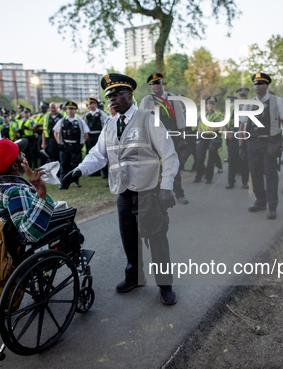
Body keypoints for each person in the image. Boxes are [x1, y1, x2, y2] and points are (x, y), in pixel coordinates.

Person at [60, 73, 178, 305]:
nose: (112, 99)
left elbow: (169, 152)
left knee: (156, 239)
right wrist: (78, 171)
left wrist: (167, 186)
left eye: (116, 94)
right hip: (123, 192)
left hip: (148, 192)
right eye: (108, 96)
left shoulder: (148, 118)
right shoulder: (110, 124)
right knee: (129, 239)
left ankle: (165, 285)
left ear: (130, 94)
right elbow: (98, 155)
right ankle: (134, 277)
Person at [0, 138, 57, 244]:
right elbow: (29, 234)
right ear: (15, 166)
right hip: (23, 247)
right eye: (20, 154)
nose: (24, 154)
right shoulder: (17, 192)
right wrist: (41, 190)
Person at [241, 72, 283, 220]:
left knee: (270, 175)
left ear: (267, 85)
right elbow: (243, 125)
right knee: (255, 175)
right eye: (256, 84)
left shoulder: (277, 101)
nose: (258, 86)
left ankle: (272, 206)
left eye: (261, 83)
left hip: (270, 143)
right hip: (252, 144)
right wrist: (241, 146)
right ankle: (260, 201)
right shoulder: (249, 103)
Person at [140, 73, 189, 204]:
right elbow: (141, 122)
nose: (156, 86)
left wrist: (182, 137)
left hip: (173, 137)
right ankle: (157, 195)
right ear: (151, 86)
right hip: (155, 140)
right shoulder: (147, 100)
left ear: (162, 83)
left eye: (158, 83)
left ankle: (179, 193)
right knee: (155, 167)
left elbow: (180, 118)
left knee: (174, 166)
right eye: (153, 84)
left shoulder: (172, 97)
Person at [53, 101, 89, 187]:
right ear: (66, 110)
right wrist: (59, 142)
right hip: (65, 145)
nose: (70, 111)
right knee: (64, 164)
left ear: (75, 110)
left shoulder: (80, 121)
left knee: (75, 165)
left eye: (72, 109)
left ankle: (75, 181)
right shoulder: (62, 121)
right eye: (68, 109)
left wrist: (81, 144)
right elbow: (56, 132)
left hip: (75, 146)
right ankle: (63, 183)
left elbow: (86, 133)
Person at [193, 96, 223, 184]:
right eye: (209, 104)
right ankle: (198, 176)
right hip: (203, 137)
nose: (211, 105)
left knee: (211, 159)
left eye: (212, 104)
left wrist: (209, 131)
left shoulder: (217, 114)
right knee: (199, 157)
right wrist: (199, 132)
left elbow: (218, 126)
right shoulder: (202, 114)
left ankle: (209, 178)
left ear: (215, 105)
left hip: (212, 138)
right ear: (206, 105)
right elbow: (199, 124)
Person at [227, 88, 250, 189]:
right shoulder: (232, 108)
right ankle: (230, 181)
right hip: (233, 137)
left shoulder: (251, 107)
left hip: (246, 139)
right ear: (238, 97)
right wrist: (228, 133)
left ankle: (245, 182)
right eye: (241, 96)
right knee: (232, 161)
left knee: (245, 161)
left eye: (245, 96)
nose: (243, 98)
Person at [83, 97, 108, 178]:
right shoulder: (88, 114)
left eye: (91, 104)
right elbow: (84, 125)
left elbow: (105, 124)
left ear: (95, 104)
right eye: (89, 104)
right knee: (91, 154)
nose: (89, 105)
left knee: (101, 154)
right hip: (90, 136)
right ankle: (95, 171)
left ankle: (105, 173)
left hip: (98, 135)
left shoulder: (101, 113)